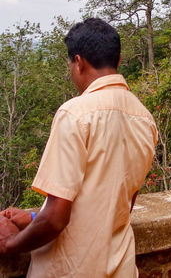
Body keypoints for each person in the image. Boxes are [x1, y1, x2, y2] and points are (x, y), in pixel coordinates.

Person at [0, 17, 158, 277]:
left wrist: (8, 244)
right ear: (117, 62)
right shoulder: (144, 118)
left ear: (79, 62)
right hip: (121, 267)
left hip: (71, 269)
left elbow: (55, 219)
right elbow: (115, 205)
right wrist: (31, 217)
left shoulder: (75, 114)